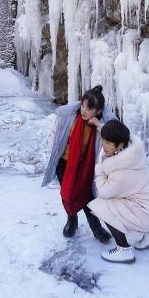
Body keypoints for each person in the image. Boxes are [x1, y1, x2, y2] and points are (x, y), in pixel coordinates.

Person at [42, 85, 118, 243]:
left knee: (87, 196)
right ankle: (72, 220)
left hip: (86, 167)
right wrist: (55, 155)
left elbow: (114, 135)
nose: (84, 110)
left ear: (98, 111)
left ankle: (96, 228)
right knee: (68, 194)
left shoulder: (100, 125)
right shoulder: (70, 117)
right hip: (64, 164)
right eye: (83, 106)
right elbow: (55, 137)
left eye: (89, 108)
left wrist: (98, 124)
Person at [87, 121, 149, 264]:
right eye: (103, 141)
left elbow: (103, 192)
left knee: (101, 205)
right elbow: (119, 134)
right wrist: (100, 124)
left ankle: (123, 250)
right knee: (122, 200)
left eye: (108, 143)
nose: (104, 146)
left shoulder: (121, 172)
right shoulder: (131, 153)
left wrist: (99, 169)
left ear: (120, 145)